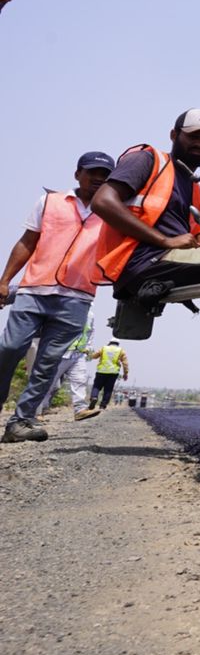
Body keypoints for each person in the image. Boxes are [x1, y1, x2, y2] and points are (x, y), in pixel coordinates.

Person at [0, 152, 115, 443]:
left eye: (105, 175)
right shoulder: (50, 202)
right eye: (93, 173)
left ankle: (21, 421)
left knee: (47, 364)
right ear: (78, 174)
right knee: (10, 347)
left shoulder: (113, 213)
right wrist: (5, 281)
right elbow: (27, 242)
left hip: (77, 298)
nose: (99, 179)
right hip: (34, 290)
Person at [92, 109, 200, 303]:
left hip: (169, 259)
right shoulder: (148, 160)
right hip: (142, 260)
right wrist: (165, 241)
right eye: (193, 136)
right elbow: (102, 202)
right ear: (174, 135)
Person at [84, 339, 129, 414]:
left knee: (97, 386)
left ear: (109, 343)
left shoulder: (104, 348)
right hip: (113, 373)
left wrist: (88, 353)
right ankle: (103, 405)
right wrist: (125, 373)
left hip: (101, 371)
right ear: (118, 344)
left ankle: (94, 397)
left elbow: (94, 356)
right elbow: (125, 363)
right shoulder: (121, 351)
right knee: (108, 389)